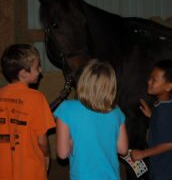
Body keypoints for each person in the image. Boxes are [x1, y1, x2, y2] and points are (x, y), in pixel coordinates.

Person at [54, 59, 128, 180]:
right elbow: (123, 149)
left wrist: (73, 141)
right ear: (111, 86)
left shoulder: (67, 108)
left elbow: (62, 154)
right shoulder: (116, 111)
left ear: (83, 81)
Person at [0, 44, 56, 180]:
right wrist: (47, 155)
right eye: (37, 67)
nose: (40, 71)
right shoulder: (37, 98)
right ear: (23, 73)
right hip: (31, 171)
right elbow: (42, 140)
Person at [131, 59, 172, 180]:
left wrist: (142, 153)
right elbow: (166, 124)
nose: (149, 81)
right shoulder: (167, 103)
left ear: (168, 86)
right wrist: (152, 115)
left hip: (166, 171)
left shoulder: (164, 111)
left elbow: (169, 144)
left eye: (154, 80)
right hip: (169, 166)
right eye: (150, 77)